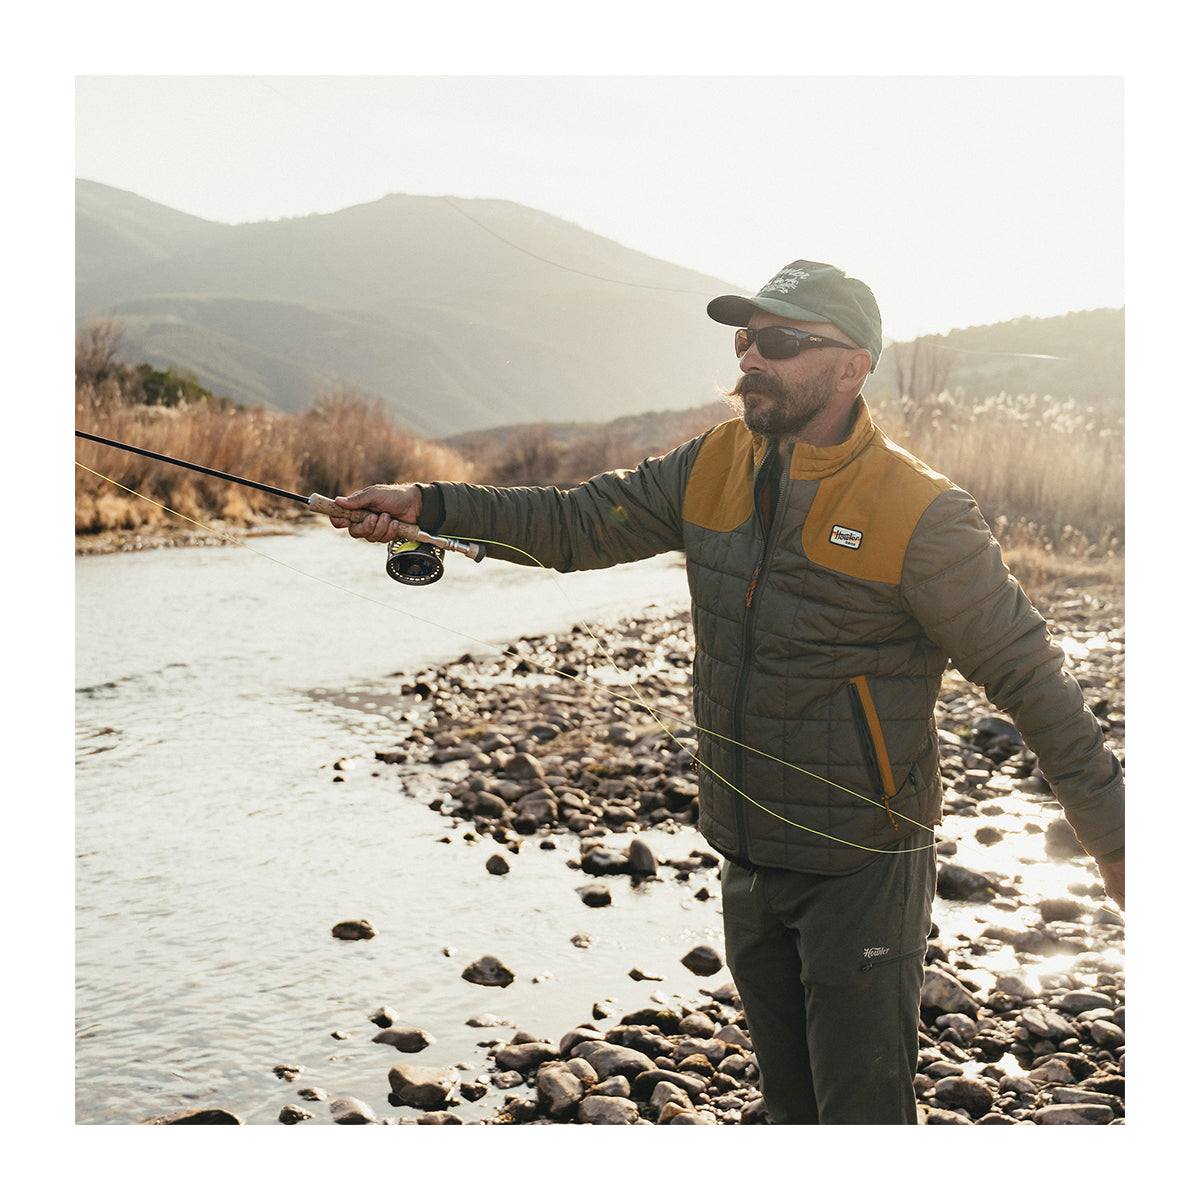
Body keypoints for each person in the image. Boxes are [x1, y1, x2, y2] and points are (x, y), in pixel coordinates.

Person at [328, 260, 1125, 1124]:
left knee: (864, 1124)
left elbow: (1032, 679)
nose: (750, 357)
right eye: (746, 337)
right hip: (746, 857)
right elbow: (576, 522)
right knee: (789, 1112)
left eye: (780, 341)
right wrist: (430, 505)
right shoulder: (711, 461)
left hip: (862, 868)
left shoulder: (923, 513)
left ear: (851, 368)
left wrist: (1117, 845)